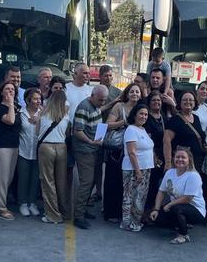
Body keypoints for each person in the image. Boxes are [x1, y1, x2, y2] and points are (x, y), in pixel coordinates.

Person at [103, 83, 143, 222]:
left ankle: (125, 212)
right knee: (114, 181)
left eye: (137, 92)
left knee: (128, 184)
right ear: (127, 93)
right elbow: (107, 125)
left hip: (134, 150)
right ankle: (111, 213)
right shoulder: (119, 106)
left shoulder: (142, 109)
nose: (134, 94)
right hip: (118, 151)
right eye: (132, 91)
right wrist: (123, 123)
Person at [149, 147, 206, 244]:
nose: (180, 159)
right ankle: (181, 224)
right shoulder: (170, 172)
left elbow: (187, 199)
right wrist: (156, 209)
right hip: (176, 205)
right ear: (174, 158)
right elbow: (161, 192)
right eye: (177, 157)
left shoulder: (193, 176)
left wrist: (169, 205)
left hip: (196, 209)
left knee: (177, 209)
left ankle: (183, 235)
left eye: (183, 157)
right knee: (158, 219)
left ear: (189, 160)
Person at [72, 85, 108, 229]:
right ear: (93, 96)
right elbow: (77, 131)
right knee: (86, 182)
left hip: (94, 148)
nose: (102, 103)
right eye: (100, 100)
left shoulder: (95, 105)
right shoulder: (84, 107)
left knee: (91, 181)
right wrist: (91, 141)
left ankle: (82, 209)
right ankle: (78, 216)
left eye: (104, 100)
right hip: (85, 150)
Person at [37, 89, 71, 224]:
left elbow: (37, 132)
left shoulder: (43, 114)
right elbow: (67, 134)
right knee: (61, 181)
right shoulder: (66, 116)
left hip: (46, 147)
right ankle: (65, 212)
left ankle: (53, 215)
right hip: (62, 147)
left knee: (48, 182)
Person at [121, 104, 154, 232]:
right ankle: (128, 223)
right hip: (133, 169)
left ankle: (136, 222)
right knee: (130, 197)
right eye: (141, 113)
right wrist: (138, 171)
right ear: (134, 115)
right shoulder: (131, 130)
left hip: (145, 169)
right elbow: (131, 152)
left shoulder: (142, 129)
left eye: (146, 114)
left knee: (139, 197)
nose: (144, 116)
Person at [0, 80, 21, 220]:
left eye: (12, 89)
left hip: (14, 145)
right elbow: (10, 121)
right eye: (7, 89)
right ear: (1, 92)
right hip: (3, 146)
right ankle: (0, 208)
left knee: (9, 177)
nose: (10, 91)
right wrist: (10, 105)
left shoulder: (16, 107)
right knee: (3, 178)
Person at [164, 90, 205, 171]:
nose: (188, 102)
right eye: (185, 100)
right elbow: (166, 142)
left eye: (191, 100)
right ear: (180, 102)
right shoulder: (174, 120)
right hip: (181, 162)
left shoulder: (196, 118)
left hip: (196, 161)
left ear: (195, 103)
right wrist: (168, 162)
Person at [17, 88, 42, 217]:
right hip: (23, 150)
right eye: (35, 99)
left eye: (39, 98)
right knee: (23, 178)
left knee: (35, 179)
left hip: (38, 152)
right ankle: (22, 203)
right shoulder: (20, 113)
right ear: (28, 100)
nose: (38, 101)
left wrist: (39, 119)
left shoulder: (43, 113)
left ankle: (32, 202)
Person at [144, 91, 170, 210]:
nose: (156, 102)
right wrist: (153, 155)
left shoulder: (162, 116)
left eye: (158, 100)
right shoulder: (147, 117)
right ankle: (147, 210)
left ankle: (156, 208)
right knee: (151, 184)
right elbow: (147, 139)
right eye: (153, 100)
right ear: (149, 102)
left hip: (162, 153)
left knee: (159, 183)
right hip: (151, 154)